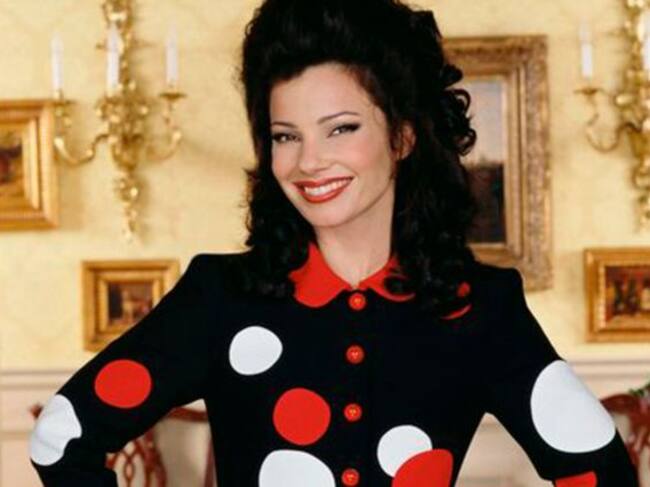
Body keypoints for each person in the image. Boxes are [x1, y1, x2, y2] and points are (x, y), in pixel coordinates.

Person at [29, 0, 638, 485]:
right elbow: (62, 436)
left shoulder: (478, 307)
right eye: (285, 136)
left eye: (340, 129)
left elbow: (599, 467)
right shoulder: (220, 298)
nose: (308, 161)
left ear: (402, 137)